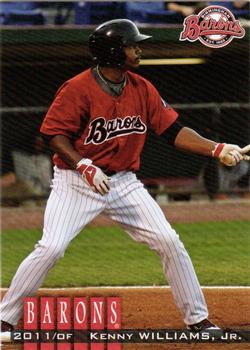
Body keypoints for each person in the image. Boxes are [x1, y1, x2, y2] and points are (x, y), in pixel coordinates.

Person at [1, 19, 250, 342]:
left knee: (169, 241)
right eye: (133, 45)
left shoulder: (141, 87)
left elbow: (173, 131)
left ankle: (198, 320)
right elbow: (54, 134)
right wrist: (85, 165)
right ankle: (5, 319)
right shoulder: (77, 88)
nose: (139, 49)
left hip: (124, 183)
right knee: (51, 247)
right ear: (114, 52)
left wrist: (215, 149)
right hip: (76, 181)